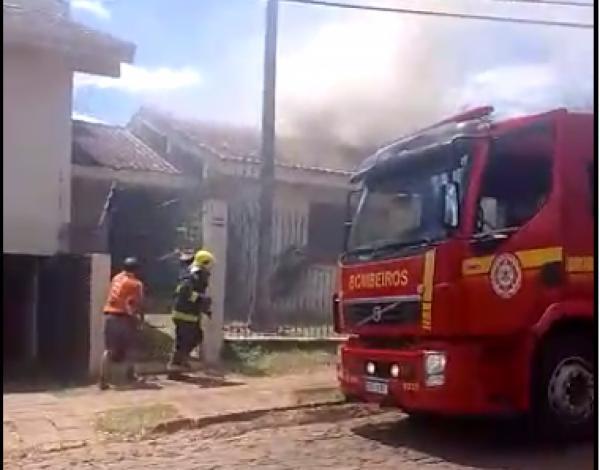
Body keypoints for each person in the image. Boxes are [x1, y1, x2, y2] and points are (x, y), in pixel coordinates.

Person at [99, 257, 144, 390]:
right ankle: (130, 375)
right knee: (130, 347)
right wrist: (140, 319)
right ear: (136, 270)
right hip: (124, 317)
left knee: (109, 350)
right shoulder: (136, 284)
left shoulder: (116, 278)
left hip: (109, 315)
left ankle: (103, 380)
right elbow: (137, 303)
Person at [167, 249, 215, 377]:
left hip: (190, 314)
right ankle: (175, 366)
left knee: (194, 338)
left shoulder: (198, 274)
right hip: (184, 313)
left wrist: (205, 308)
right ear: (204, 262)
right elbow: (184, 292)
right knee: (186, 340)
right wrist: (200, 299)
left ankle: (179, 363)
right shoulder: (193, 275)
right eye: (209, 264)